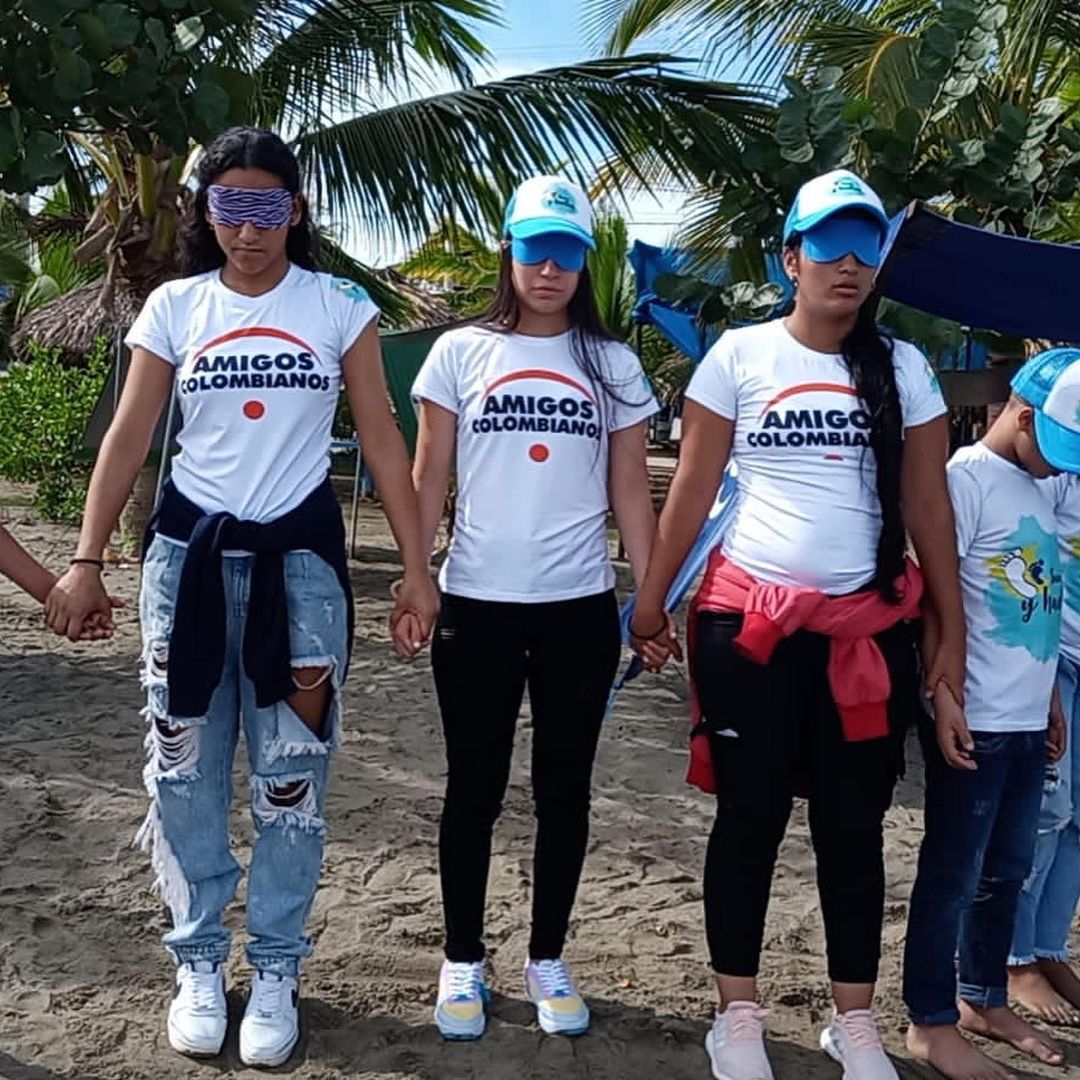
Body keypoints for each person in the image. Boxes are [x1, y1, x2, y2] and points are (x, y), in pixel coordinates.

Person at [43, 127, 438, 1067]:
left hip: (300, 571)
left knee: (290, 779)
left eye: (267, 207)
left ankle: (274, 970)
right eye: (230, 207)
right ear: (206, 214)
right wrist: (87, 557)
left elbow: (384, 439)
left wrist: (418, 567)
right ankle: (198, 962)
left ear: (294, 212)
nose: (249, 229)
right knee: (182, 774)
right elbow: (131, 433)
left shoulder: (338, 305)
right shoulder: (175, 307)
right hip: (185, 567)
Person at [631, 169, 965, 1080]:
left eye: (864, 247)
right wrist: (650, 601)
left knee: (854, 831)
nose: (848, 264)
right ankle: (735, 1014)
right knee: (750, 821)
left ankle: (852, 1022)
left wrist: (951, 634)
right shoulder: (740, 354)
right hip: (750, 632)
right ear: (791, 259)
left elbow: (928, 506)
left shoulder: (906, 367)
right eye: (828, 245)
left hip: (868, 638)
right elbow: (692, 491)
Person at [411, 175, 661, 1041]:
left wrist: (650, 591)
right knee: (471, 789)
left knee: (565, 790)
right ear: (509, 252)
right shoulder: (459, 352)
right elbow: (427, 473)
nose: (549, 267)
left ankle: (547, 955)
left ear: (585, 261)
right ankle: (462, 961)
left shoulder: (614, 363)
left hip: (577, 611)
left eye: (566, 252)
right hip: (475, 603)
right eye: (533, 249)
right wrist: (417, 572)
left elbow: (630, 485)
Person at [904, 352, 1080, 1079]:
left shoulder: (1044, 485)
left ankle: (983, 995)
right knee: (951, 871)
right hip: (971, 715)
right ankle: (930, 1018)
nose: (1059, 465)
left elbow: (1036, 604)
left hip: (1026, 713)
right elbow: (934, 604)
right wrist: (943, 698)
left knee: (1007, 867)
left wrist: (1047, 699)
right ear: (1022, 412)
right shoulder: (964, 481)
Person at [1008, 465, 1080, 1026]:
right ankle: (1014, 957)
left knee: (1078, 818)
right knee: (1045, 810)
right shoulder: (1062, 475)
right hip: (1055, 656)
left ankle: (1050, 948)